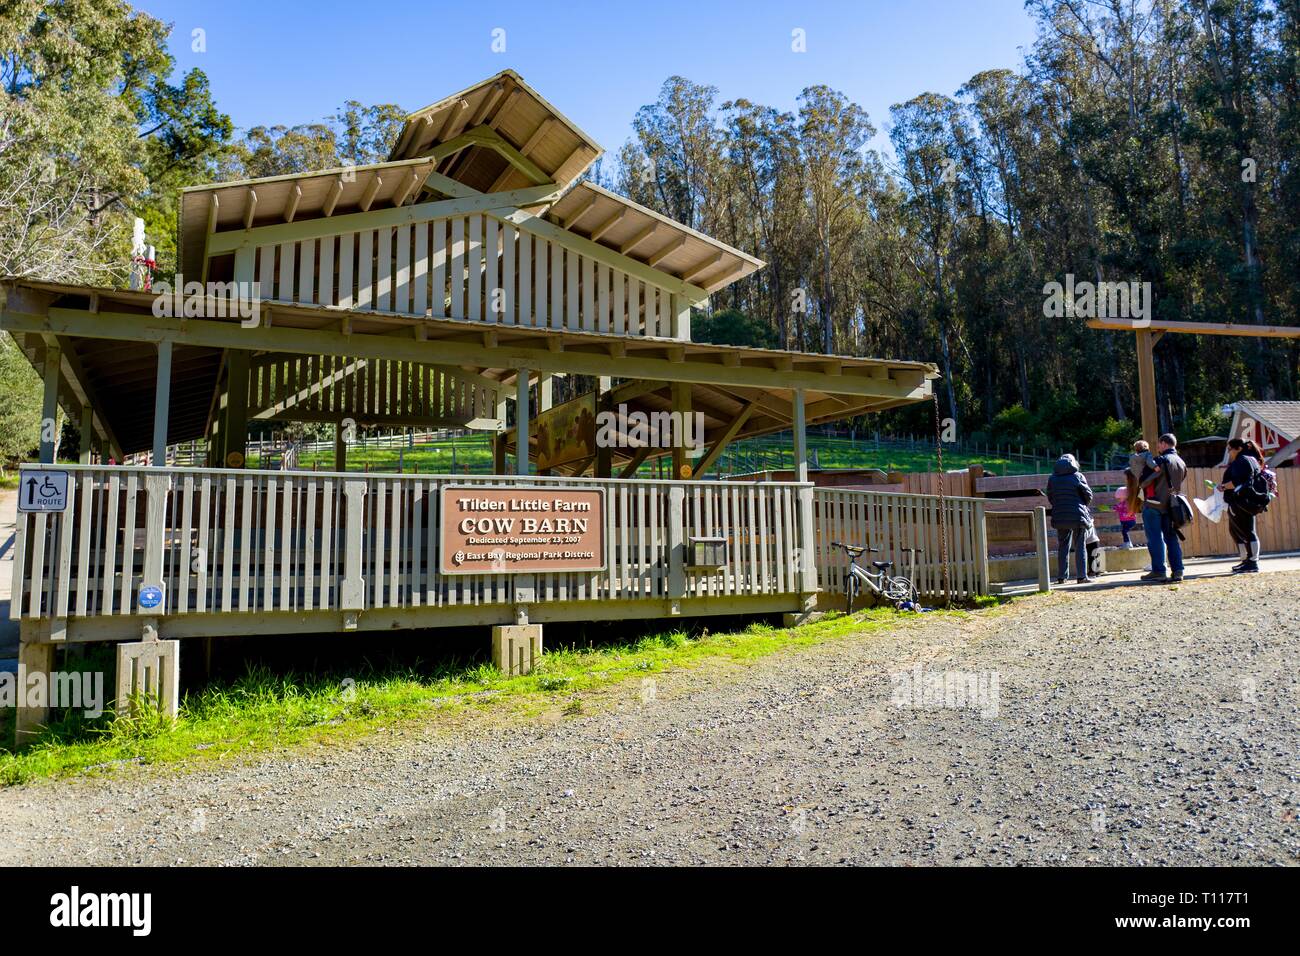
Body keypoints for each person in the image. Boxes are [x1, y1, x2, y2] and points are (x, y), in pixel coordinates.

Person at [1140, 433, 1188, 583]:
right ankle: (1178, 570)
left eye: (1159, 444)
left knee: (1155, 538)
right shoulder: (1181, 462)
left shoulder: (1160, 460)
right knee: (1171, 537)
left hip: (1155, 504)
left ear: (1164, 444)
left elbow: (1144, 481)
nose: (1158, 447)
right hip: (1172, 505)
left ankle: (1159, 571)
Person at [1047, 453, 1095, 584]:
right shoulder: (1078, 476)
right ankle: (1082, 576)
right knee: (1080, 545)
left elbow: (1050, 497)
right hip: (1077, 515)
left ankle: (1062, 577)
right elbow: (1088, 495)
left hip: (1060, 515)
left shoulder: (1052, 478)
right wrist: (1082, 505)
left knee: (1063, 546)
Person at [1218, 438, 1264, 573]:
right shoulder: (1250, 459)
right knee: (1238, 531)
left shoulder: (1241, 461)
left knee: (1247, 532)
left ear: (1238, 448)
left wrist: (1223, 486)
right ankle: (1246, 560)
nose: (1229, 452)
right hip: (1247, 501)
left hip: (1240, 501)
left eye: (1229, 449)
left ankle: (1252, 562)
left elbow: (1237, 482)